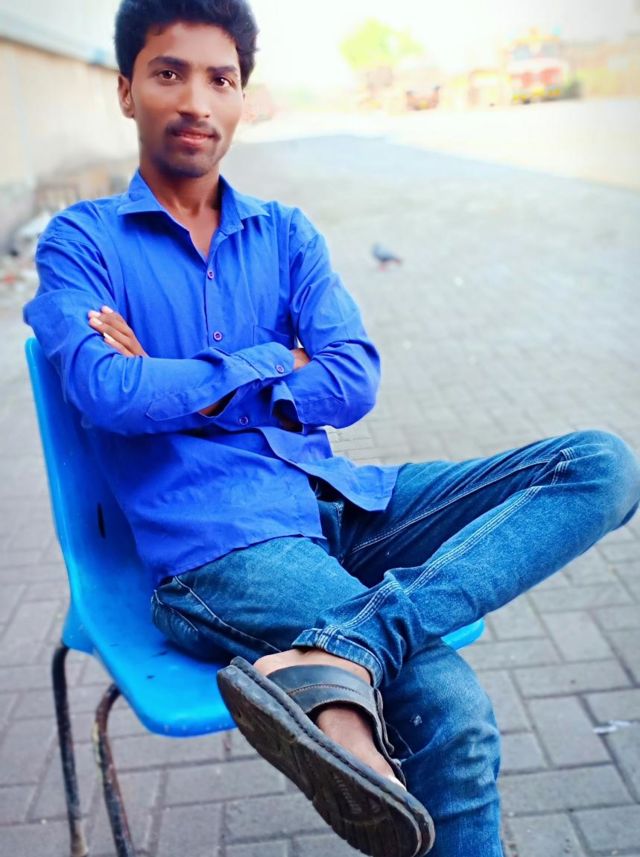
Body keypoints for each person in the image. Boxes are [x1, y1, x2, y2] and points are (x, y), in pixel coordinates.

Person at [23, 2, 640, 855]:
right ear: (127, 90)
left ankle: (354, 643)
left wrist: (183, 379)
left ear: (242, 98)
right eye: (169, 73)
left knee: (600, 465)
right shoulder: (80, 242)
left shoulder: (285, 235)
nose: (197, 100)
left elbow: (353, 379)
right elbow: (109, 391)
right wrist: (273, 360)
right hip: (220, 545)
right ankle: (357, 657)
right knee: (449, 706)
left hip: (338, 502)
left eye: (220, 79)